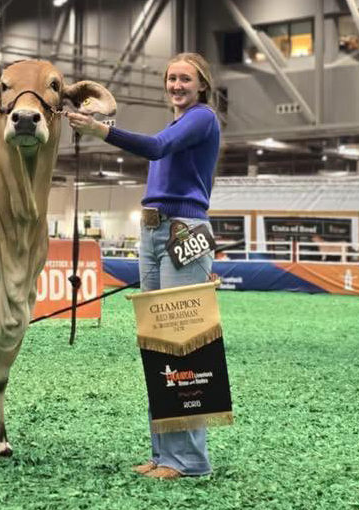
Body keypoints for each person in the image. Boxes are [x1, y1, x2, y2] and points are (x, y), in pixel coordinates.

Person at [68, 52, 222, 480]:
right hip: (154, 231)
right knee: (158, 345)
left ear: (201, 85)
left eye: (185, 79)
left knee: (183, 342)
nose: (176, 85)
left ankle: (189, 460)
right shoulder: (178, 122)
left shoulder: (202, 118)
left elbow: (155, 148)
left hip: (183, 231)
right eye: (172, 78)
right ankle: (164, 454)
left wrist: (102, 129)